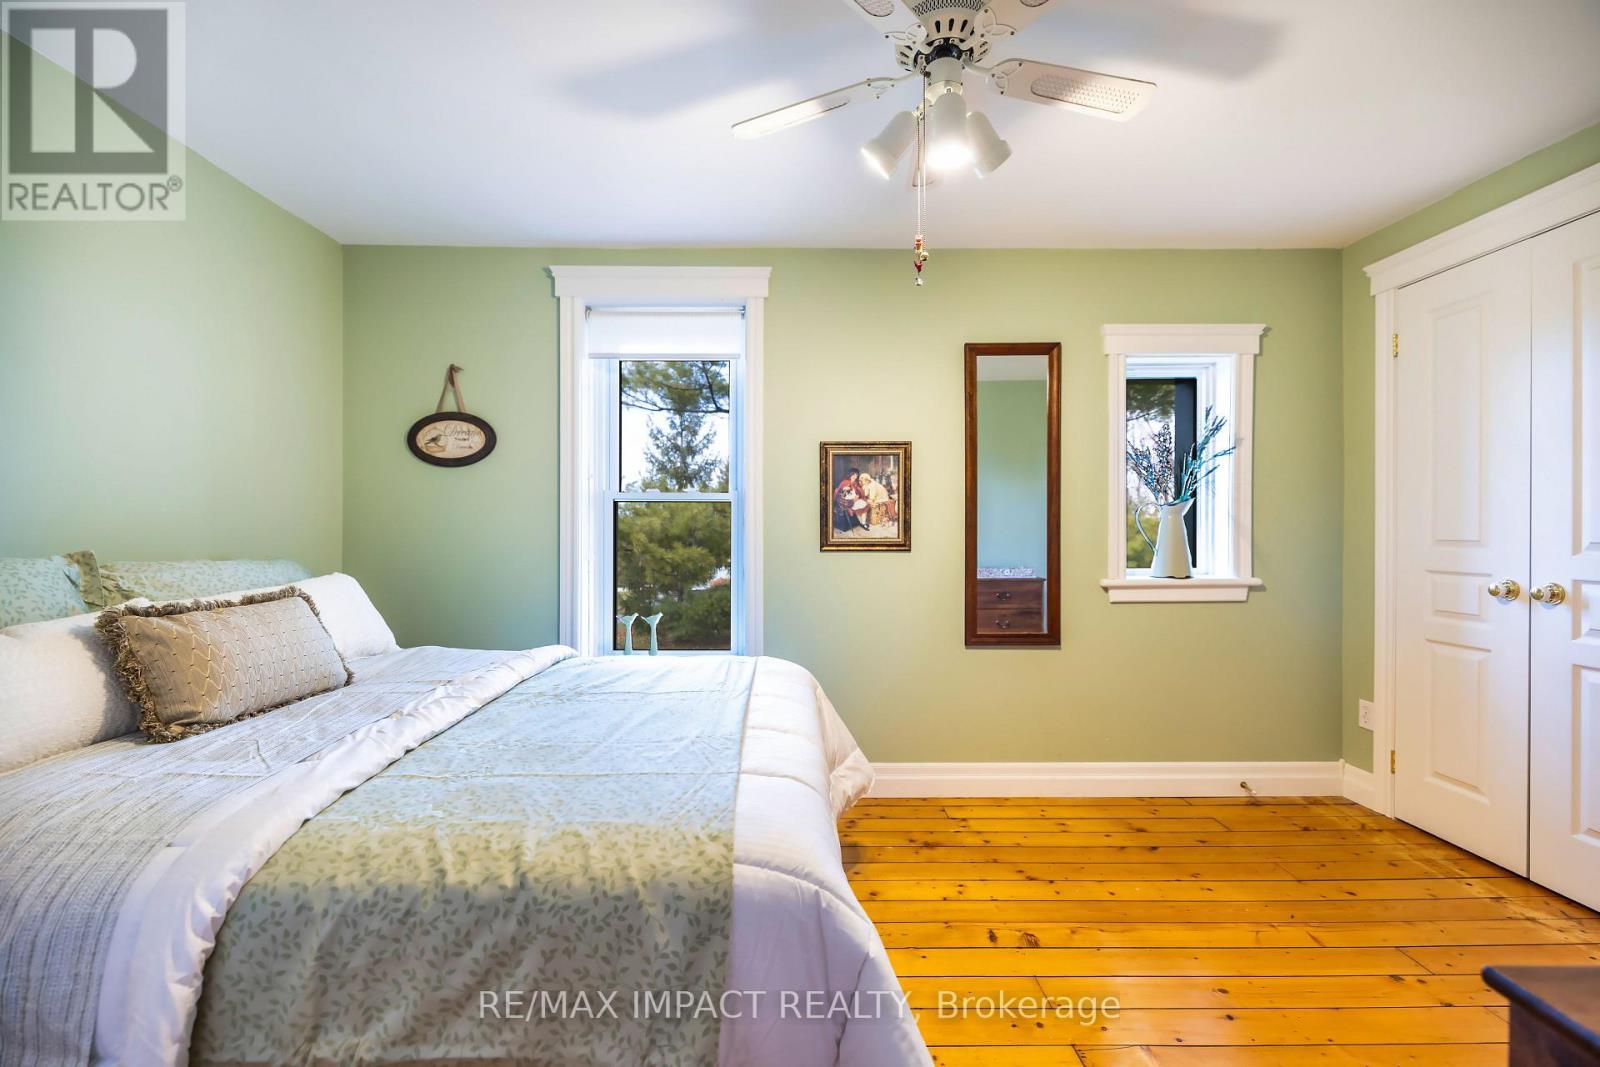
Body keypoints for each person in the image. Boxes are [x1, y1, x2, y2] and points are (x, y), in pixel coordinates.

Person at [833, 467, 869, 532]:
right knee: (864, 505)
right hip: (846, 503)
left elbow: (859, 492)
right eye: (854, 475)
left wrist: (858, 495)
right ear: (850, 474)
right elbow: (841, 495)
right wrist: (853, 499)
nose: (855, 476)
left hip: (853, 501)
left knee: (864, 504)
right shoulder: (845, 482)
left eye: (856, 475)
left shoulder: (855, 483)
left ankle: (862, 523)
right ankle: (862, 523)